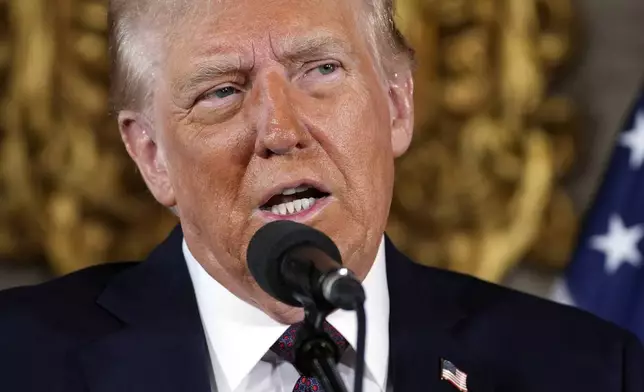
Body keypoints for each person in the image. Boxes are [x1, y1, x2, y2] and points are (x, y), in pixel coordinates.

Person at [0, 0, 642, 391]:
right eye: (222, 91)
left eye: (321, 70)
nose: (280, 131)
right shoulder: (18, 362)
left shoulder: (587, 371)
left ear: (396, 106)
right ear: (152, 155)